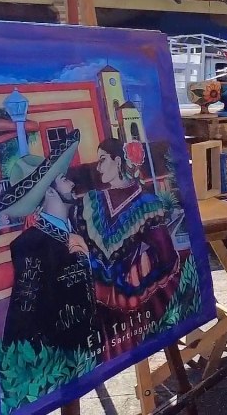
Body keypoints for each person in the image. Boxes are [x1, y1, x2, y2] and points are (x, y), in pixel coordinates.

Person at [0, 130, 95, 353]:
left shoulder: (78, 231)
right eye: (64, 180)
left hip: (85, 351)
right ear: (50, 193)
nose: (72, 183)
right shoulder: (29, 246)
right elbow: (24, 314)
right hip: (57, 357)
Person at [76, 138, 181, 361]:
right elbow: (166, 255)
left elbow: (164, 252)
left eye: (103, 160)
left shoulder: (145, 203)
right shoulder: (93, 201)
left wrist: (142, 264)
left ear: (118, 161)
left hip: (129, 302)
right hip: (105, 301)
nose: (98, 167)